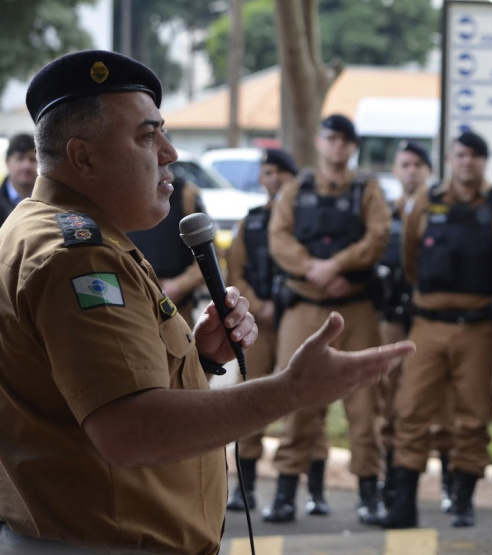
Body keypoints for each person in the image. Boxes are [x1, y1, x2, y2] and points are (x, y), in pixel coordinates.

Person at [0, 50, 413, 555]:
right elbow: (128, 431)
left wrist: (200, 360)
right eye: (147, 136)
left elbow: (87, 393)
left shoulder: (42, 228)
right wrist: (290, 391)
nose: (170, 152)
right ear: (83, 157)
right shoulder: (79, 258)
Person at [381, 131, 492, 529]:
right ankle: (403, 504)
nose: (468, 162)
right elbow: (412, 260)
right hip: (428, 323)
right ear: (450, 158)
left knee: (473, 416)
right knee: (410, 410)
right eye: (461, 155)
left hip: (481, 327)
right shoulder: (427, 202)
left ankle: (462, 500)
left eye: (476, 155)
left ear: (484, 161)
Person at [266, 114, 391, 525]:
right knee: (295, 398)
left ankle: (369, 494)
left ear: (353, 147)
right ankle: (285, 492)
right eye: (331, 138)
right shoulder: (295, 189)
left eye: (345, 140)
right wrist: (311, 269)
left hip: (355, 308)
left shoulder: (366, 189)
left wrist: (336, 265)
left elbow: (378, 237)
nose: (338, 146)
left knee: (363, 404)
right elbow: (279, 237)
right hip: (304, 307)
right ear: (320, 143)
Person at [373, 140, 455, 513]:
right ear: (395, 170)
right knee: (391, 401)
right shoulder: (386, 213)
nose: (411, 171)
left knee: (440, 404)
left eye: (418, 165)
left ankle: (451, 487)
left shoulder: (442, 209)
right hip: (393, 318)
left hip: (430, 318)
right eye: (404, 164)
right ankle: (393, 484)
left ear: (429, 170)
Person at [224, 147, 298, 511]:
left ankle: (294, 492)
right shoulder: (250, 221)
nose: (274, 180)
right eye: (268, 173)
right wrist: (259, 305)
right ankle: (246, 487)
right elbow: (235, 271)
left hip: (296, 318)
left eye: (280, 174)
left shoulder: (305, 219)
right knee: (251, 398)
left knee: (299, 404)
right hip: (259, 322)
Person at [127, 170, 207, 327]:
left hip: (176, 307)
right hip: (133, 305)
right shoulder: (119, 192)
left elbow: (207, 255)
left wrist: (179, 286)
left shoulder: (185, 194)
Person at [0, 133, 37, 227]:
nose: (26, 166)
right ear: (7, 162)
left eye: (32, 159)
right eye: (20, 159)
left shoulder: (49, 203)